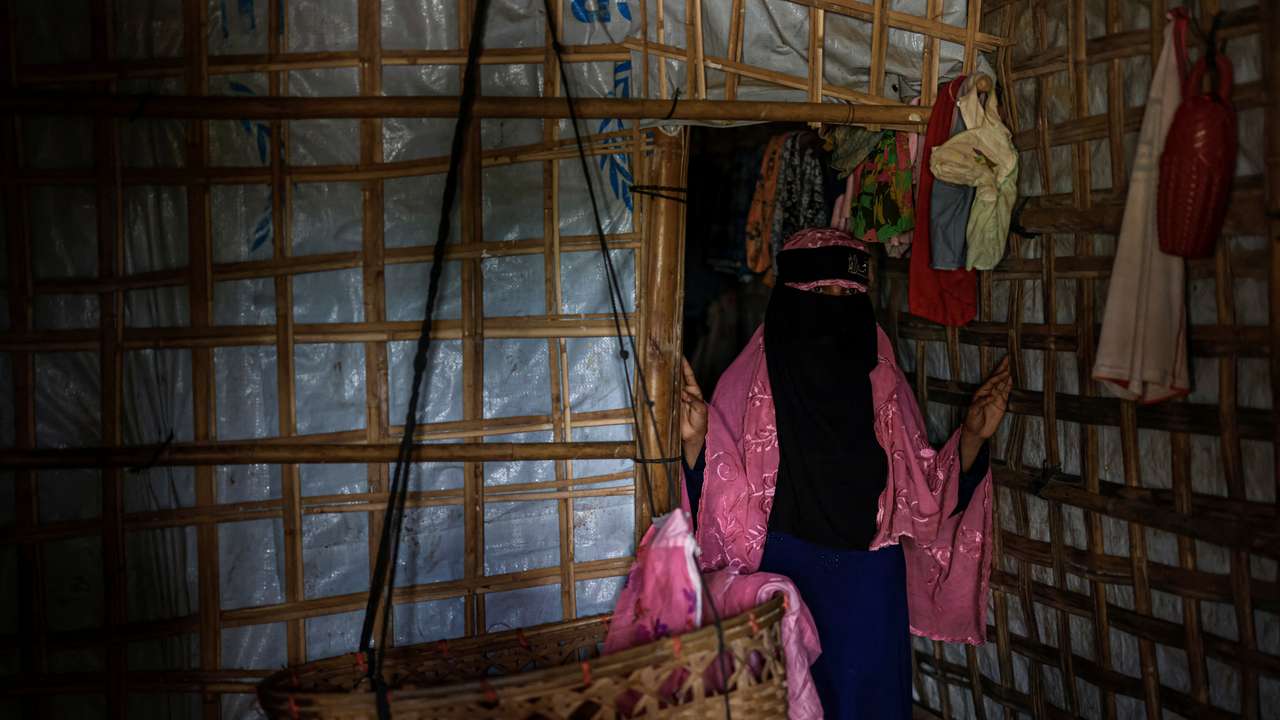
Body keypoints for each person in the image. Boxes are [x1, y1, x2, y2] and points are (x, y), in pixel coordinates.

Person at [676, 228, 1011, 719]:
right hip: (781, 579)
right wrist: (693, 442)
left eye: (849, 296)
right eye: (819, 295)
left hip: (869, 582)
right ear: (788, 301)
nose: (836, 310)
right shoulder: (740, 390)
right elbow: (716, 511)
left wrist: (975, 436)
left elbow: (924, 496)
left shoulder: (884, 382)